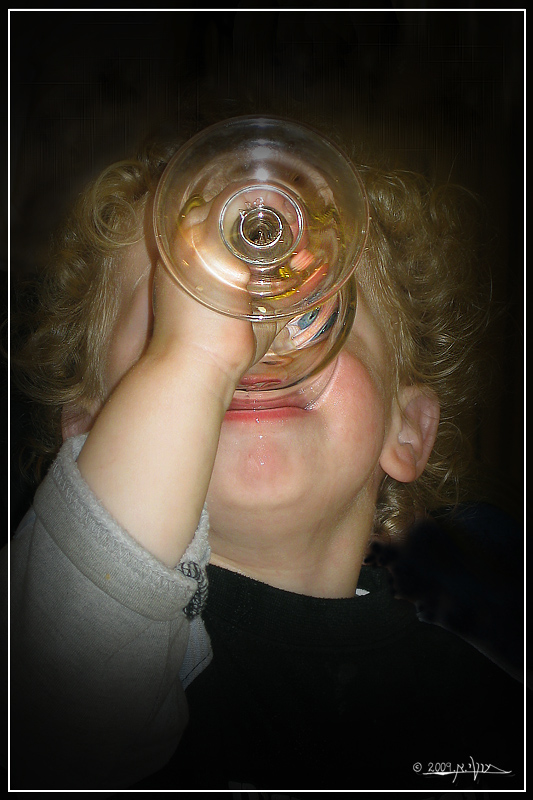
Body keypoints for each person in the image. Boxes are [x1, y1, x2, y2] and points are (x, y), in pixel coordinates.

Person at [9, 121, 524, 792]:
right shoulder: (69, 668)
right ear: (87, 439)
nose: (250, 344)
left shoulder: (490, 711)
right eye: (175, 315)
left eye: (306, 311)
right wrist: (193, 359)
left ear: (407, 430)